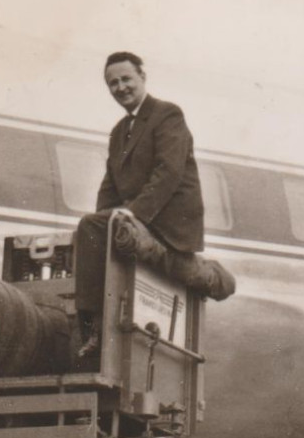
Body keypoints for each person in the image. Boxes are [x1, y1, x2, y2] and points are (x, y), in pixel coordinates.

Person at [73, 52, 232, 350]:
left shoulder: (167, 114)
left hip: (167, 220)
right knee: (92, 229)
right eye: (113, 83)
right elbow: (110, 184)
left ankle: (92, 329)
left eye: (126, 79)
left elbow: (169, 172)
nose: (120, 87)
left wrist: (133, 215)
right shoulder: (119, 132)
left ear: (142, 78)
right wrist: (105, 222)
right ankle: (97, 326)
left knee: (92, 227)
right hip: (142, 217)